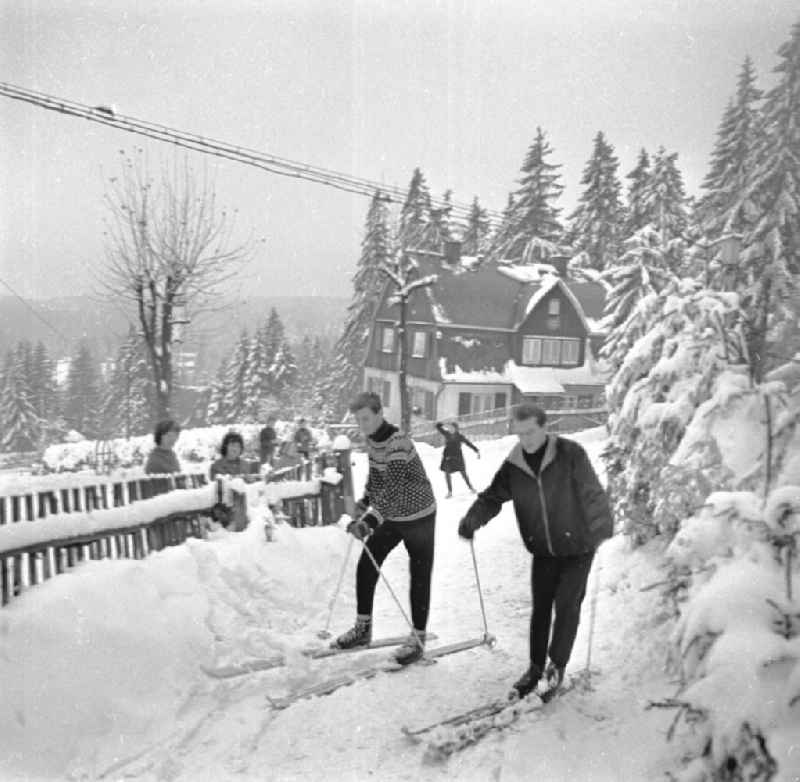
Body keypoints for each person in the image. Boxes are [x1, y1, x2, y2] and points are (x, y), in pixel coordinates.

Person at [457, 403, 613, 698]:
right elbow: (492, 497)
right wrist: (472, 520)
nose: (526, 440)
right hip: (543, 549)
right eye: (520, 434)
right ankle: (535, 667)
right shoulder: (515, 465)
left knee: (567, 605)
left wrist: (601, 525)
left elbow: (592, 492)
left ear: (544, 427)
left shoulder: (570, 454)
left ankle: (557, 665)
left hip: (578, 546)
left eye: (530, 432)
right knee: (540, 609)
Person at [332, 391, 437, 665]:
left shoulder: (398, 442)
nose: (362, 424)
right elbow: (376, 480)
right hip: (394, 515)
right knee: (367, 562)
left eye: (366, 418)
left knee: (419, 575)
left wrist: (368, 521)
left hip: (419, 515)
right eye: (358, 420)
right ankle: (363, 628)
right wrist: (363, 503)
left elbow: (393, 490)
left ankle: (417, 638)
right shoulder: (373, 440)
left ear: (379, 414)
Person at [435, 421, 480, 497]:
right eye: (450, 428)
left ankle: (471, 488)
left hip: (457, 457)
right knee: (447, 474)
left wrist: (476, 450)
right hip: (448, 457)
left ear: (456, 429)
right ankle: (449, 492)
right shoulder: (447, 434)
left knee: (463, 473)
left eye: (453, 428)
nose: (451, 429)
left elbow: (468, 443)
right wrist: (444, 424)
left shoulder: (460, 436)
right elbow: (438, 426)